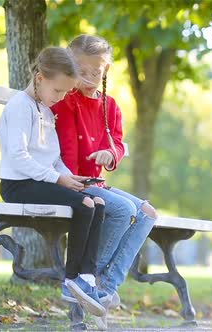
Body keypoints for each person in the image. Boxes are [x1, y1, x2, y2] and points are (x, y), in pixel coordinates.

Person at [52, 35, 158, 327]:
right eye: (80, 71)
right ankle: (81, 283)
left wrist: (109, 154)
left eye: (94, 72)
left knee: (148, 212)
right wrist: (80, 180)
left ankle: (104, 288)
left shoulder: (110, 106)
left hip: (96, 182)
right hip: (77, 182)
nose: (87, 78)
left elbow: (120, 144)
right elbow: (68, 154)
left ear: (106, 70)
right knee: (124, 209)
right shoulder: (66, 103)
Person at [0, 46, 106, 318]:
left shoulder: (45, 110)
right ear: (40, 78)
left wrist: (68, 175)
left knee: (98, 202)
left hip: (41, 182)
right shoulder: (20, 106)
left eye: (66, 92)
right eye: (58, 91)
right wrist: (58, 179)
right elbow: (18, 157)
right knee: (85, 204)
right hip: (18, 185)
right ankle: (71, 281)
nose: (60, 98)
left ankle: (87, 278)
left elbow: (54, 159)